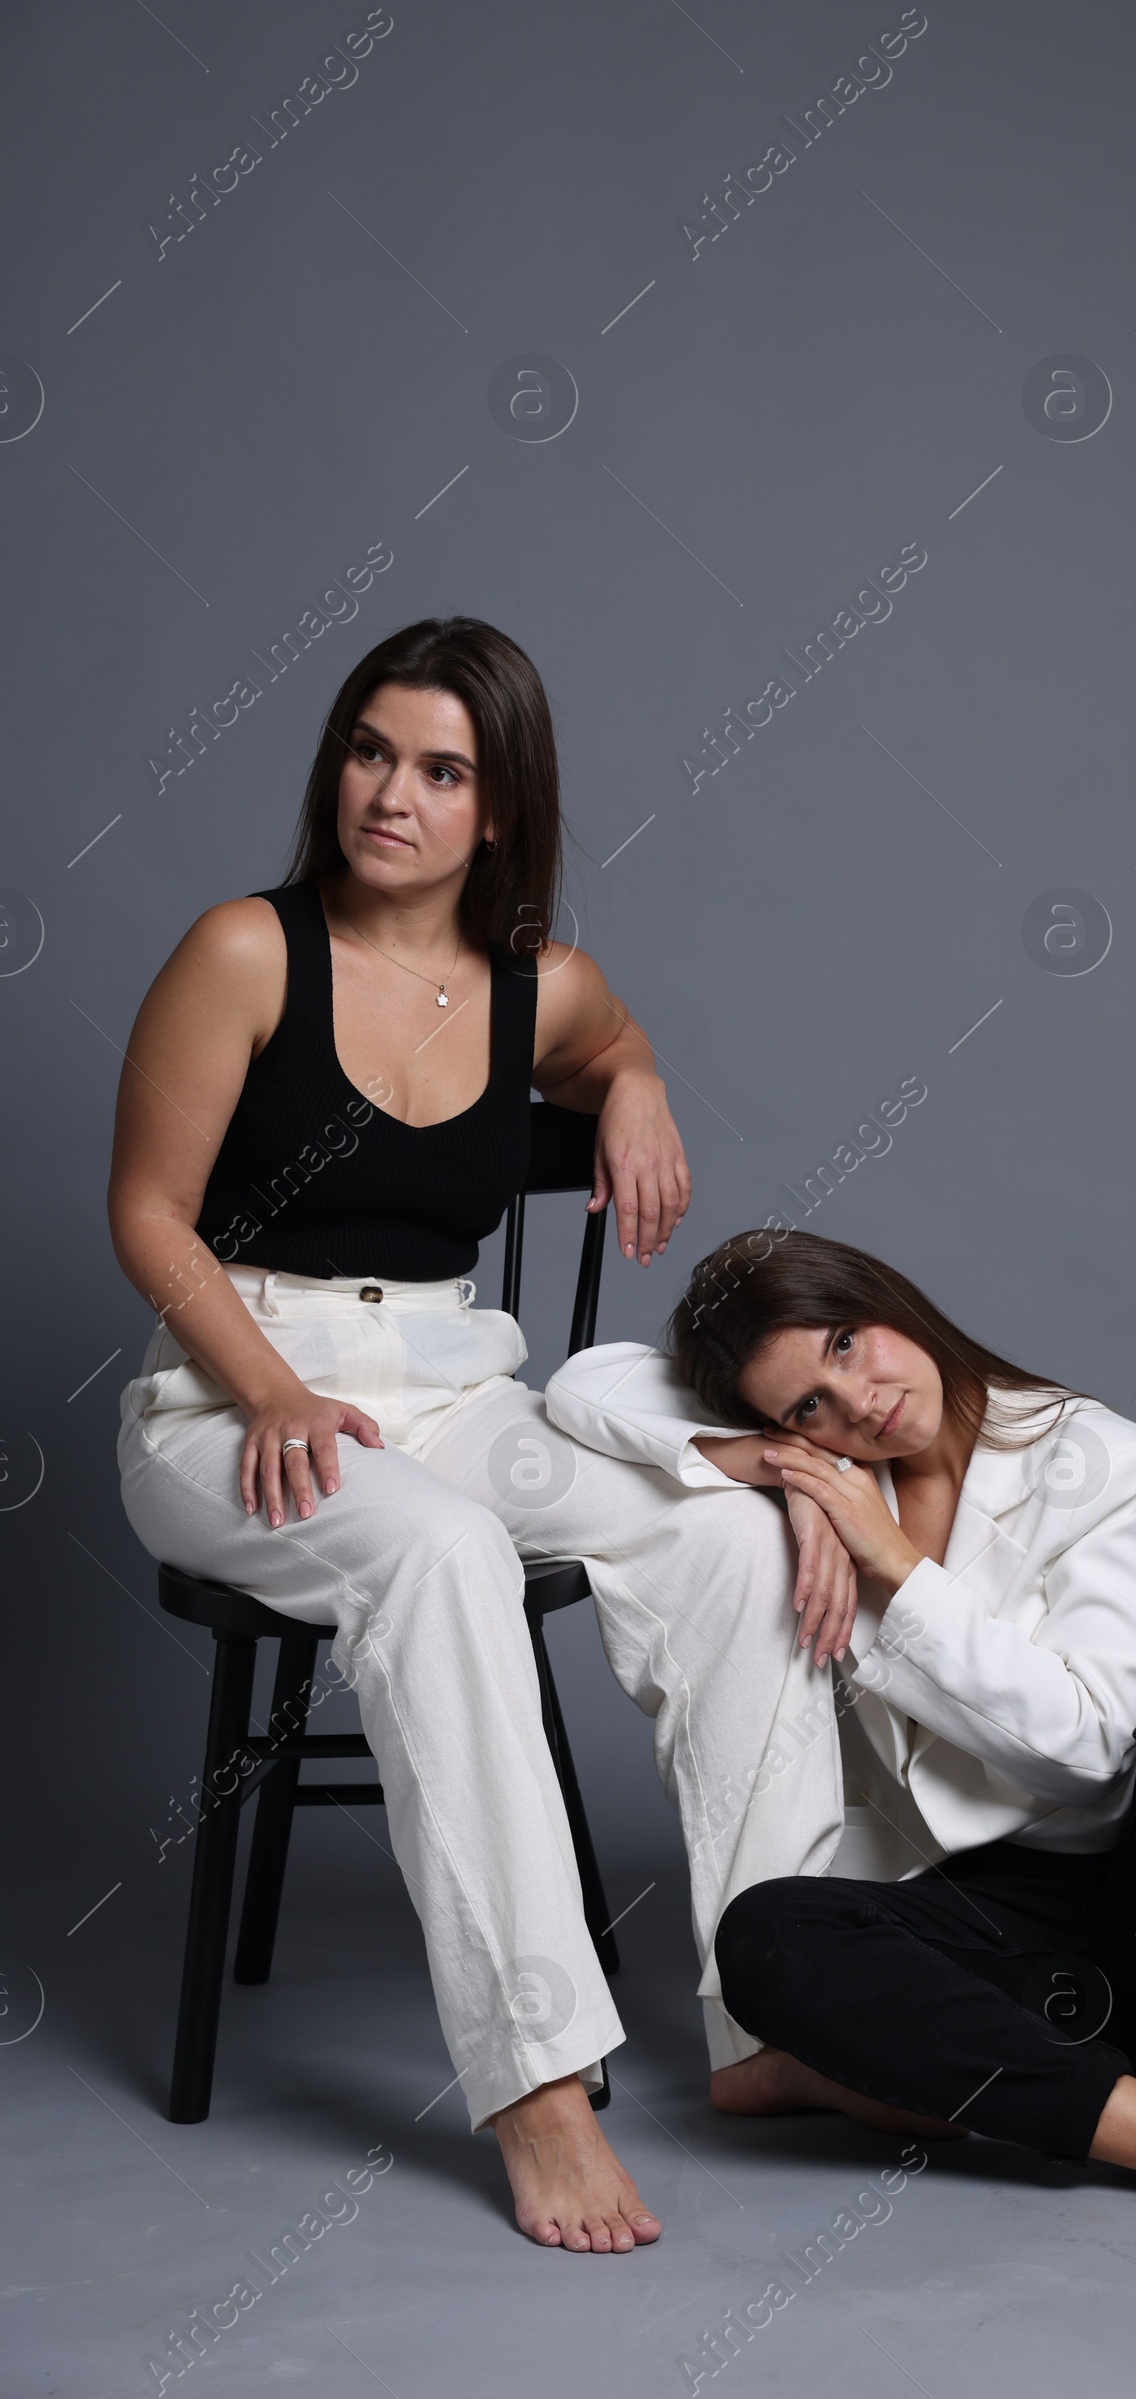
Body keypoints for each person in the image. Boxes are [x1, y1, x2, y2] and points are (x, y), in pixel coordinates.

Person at [111, 616, 731, 2254]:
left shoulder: (542, 988)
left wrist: (641, 1073)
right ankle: (536, 2082)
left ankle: (785, 1992)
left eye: (441, 769)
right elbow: (146, 1212)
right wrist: (265, 1386)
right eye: (370, 750)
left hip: (453, 1383)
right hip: (230, 1394)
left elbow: (602, 1041)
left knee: (719, 1515)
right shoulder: (246, 950)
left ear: (501, 809)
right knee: (443, 1550)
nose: (390, 792)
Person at [541, 1227, 1136, 2335]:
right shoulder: (829, 1470)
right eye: (806, 1405)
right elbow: (585, 1383)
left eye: (851, 1343)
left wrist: (895, 1567)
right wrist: (781, 1470)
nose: (857, 1403)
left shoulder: (1104, 1462)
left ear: (889, 1299)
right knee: (762, 1938)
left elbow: (1090, 1743)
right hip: (1010, 1931)